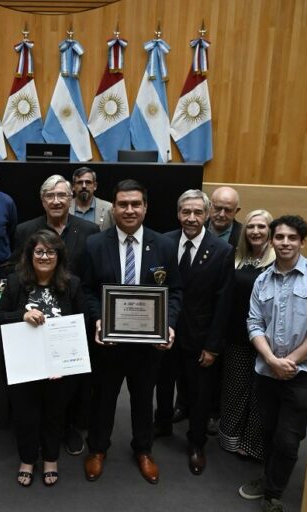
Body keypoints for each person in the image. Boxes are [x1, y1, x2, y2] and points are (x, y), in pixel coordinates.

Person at [82, 179, 182, 485]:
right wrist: (99, 319)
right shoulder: (95, 244)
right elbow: (87, 289)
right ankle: (98, 448)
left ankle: (143, 450)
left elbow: (175, 291)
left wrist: (168, 325)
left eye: (135, 204)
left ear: (145, 207)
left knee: (142, 399)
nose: (129, 210)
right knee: (104, 399)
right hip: (108, 343)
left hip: (147, 345)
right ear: (113, 208)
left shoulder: (164, 245)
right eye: (123, 204)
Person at [240, 215, 307, 512]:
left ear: (302, 242)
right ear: (272, 240)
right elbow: (254, 323)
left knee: (288, 437)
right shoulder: (262, 280)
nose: (285, 243)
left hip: (302, 374)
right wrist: (272, 360)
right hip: (266, 370)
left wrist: (290, 362)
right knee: (268, 431)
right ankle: (269, 476)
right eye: (280, 237)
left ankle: (273, 493)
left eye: (292, 238)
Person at [0, 230, 88, 487]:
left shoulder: (72, 284)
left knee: (55, 415)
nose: (45, 257)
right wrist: (21, 316)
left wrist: (65, 364)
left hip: (60, 368)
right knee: (25, 415)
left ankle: (50, 458)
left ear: (59, 256)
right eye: (39, 251)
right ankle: (27, 459)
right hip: (24, 367)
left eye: (50, 252)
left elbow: (83, 323)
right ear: (30, 255)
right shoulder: (15, 283)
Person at [155, 190, 234, 477]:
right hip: (164, 332)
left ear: (207, 214)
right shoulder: (162, 242)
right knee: (163, 384)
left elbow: (224, 303)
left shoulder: (222, 251)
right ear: (178, 213)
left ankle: (197, 442)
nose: (191, 218)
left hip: (200, 337)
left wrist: (213, 346)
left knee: (200, 394)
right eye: (186, 211)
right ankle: (163, 423)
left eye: (198, 212)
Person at [218, 210, 275, 461]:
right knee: (235, 388)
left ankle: (252, 444)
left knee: (260, 392)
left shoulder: (277, 261)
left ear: (270, 231)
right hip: (237, 335)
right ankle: (230, 438)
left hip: (267, 339)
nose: (255, 231)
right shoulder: (236, 257)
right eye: (251, 226)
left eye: (261, 226)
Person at [13, 175, 100, 276]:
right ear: (43, 201)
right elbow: (17, 269)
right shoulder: (24, 231)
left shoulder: (90, 231)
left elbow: (95, 272)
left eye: (61, 195)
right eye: (50, 196)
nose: (56, 201)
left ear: (70, 200)